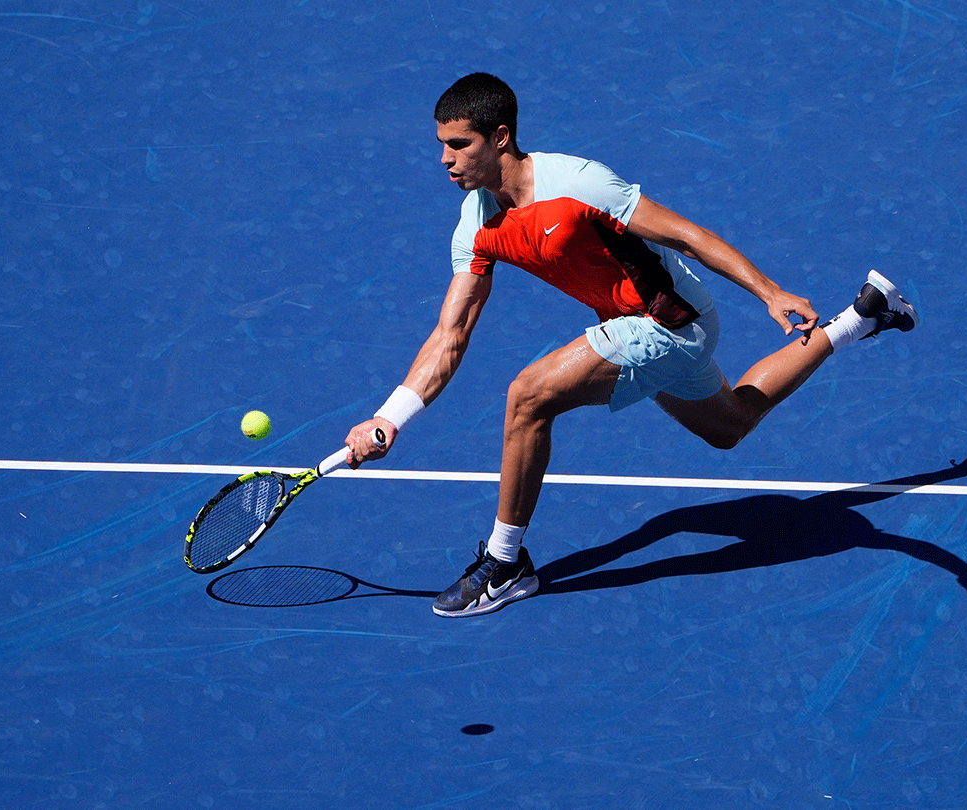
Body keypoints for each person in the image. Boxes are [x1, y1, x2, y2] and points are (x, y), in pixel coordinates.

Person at [344, 73, 918, 618]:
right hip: (638, 327)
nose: (444, 159)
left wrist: (769, 292)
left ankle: (504, 563)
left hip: (668, 321)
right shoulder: (475, 227)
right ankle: (861, 317)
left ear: (500, 138)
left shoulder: (577, 183)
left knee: (528, 396)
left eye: (457, 144)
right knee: (732, 425)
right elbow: (451, 334)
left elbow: (685, 235)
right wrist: (390, 416)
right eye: (441, 145)